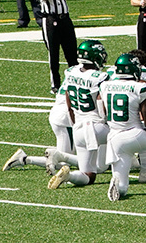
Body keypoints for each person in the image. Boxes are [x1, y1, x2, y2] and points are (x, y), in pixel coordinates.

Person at [100, 52, 146, 201]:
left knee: (123, 189)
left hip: (114, 138)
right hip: (133, 135)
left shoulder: (105, 85)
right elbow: (145, 112)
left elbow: (103, 110)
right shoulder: (139, 87)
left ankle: (117, 184)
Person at [48, 40, 110, 190]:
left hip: (79, 127)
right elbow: (102, 105)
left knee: (88, 174)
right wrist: (106, 121)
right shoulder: (99, 77)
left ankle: (68, 176)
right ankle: (144, 171)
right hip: (95, 125)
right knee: (126, 134)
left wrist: (74, 121)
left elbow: (68, 99)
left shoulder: (71, 71)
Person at [2, 76, 78, 174]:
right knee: (63, 163)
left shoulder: (74, 71)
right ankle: (24, 159)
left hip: (59, 113)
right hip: (65, 118)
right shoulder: (89, 75)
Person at [35, 0, 81, 93]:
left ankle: (75, 81)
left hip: (65, 19)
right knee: (54, 54)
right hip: (50, 20)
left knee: (72, 53)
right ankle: (55, 84)